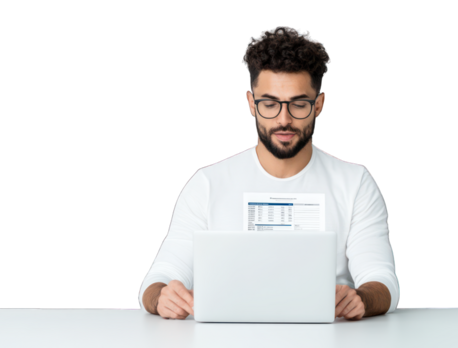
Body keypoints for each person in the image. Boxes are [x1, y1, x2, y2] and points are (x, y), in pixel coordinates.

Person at [139, 25, 399, 321]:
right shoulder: (207, 184)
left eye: (299, 104)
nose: (284, 120)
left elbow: (383, 282)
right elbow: (157, 280)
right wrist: (162, 297)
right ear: (251, 103)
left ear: (319, 105)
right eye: (270, 104)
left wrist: (361, 299)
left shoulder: (355, 183)